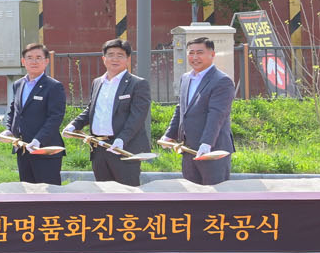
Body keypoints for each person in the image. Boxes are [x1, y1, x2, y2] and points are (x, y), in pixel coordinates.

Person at [71, 39, 153, 187]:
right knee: (104, 193)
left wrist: (122, 139)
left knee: (127, 193)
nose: (115, 59)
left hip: (123, 148)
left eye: (120, 55)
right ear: (104, 58)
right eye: (110, 55)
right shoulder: (97, 82)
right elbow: (92, 109)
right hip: (98, 148)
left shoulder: (138, 84)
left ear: (128, 59)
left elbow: (137, 117)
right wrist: (74, 125)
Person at [163, 36, 236, 185]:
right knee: (192, 193)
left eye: (200, 53)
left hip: (213, 150)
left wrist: (207, 143)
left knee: (214, 193)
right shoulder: (185, 78)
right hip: (188, 149)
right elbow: (181, 109)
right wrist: (169, 135)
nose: (195, 57)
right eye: (191, 53)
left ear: (212, 54)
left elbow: (217, 115)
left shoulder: (222, 81)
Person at [5, 42, 68, 185]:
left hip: (45, 150)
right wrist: (9, 130)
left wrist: (38, 140)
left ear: (46, 61)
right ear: (23, 61)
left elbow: (55, 117)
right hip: (22, 149)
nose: (34, 61)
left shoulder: (54, 86)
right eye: (30, 58)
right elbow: (14, 111)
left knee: (48, 192)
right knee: (28, 191)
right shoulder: (18, 84)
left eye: (38, 57)